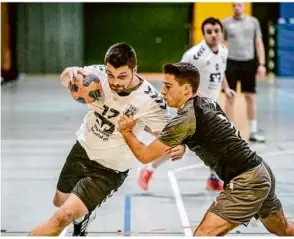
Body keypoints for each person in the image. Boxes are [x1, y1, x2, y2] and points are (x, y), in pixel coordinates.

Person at [118, 62, 294, 236]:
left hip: (247, 181)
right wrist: (183, 144)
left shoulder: (186, 118)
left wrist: (126, 131)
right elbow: (205, 133)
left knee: (203, 235)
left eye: (168, 86)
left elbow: (144, 155)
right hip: (260, 171)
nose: (163, 91)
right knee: (283, 229)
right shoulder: (206, 101)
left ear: (186, 90)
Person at [28, 43, 185, 236]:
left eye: (122, 76)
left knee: (63, 216)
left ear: (134, 70)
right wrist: (71, 73)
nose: (115, 81)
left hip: (110, 169)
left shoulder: (150, 100)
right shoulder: (97, 75)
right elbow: (64, 77)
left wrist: (178, 145)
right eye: (111, 74)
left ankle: (78, 217)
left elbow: (168, 132)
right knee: (59, 202)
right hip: (83, 149)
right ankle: (83, 217)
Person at [137, 17, 235, 191]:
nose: (213, 35)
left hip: (211, 107)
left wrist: (226, 88)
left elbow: (221, 71)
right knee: (179, 143)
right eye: (209, 32)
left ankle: (213, 179)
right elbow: (178, 76)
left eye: (216, 31)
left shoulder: (224, 51)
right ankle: (148, 169)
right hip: (193, 107)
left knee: (215, 142)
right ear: (203, 34)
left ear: (221, 32)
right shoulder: (194, 55)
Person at [222, 2, 266, 142]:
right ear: (231, 6)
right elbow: (221, 44)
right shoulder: (225, 23)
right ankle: (229, 130)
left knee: (250, 96)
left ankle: (253, 130)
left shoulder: (253, 22)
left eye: (239, 5)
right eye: (234, 5)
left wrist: (262, 64)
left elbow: (258, 43)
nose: (237, 8)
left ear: (244, 6)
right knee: (230, 96)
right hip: (231, 63)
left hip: (249, 63)